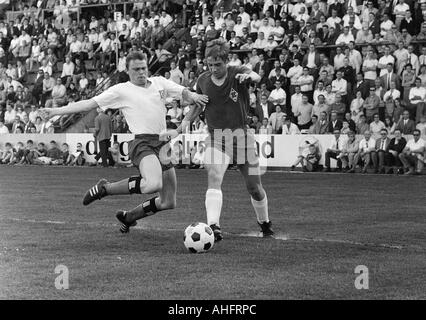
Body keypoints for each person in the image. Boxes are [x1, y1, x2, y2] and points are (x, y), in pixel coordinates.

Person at [40, 51, 209, 234]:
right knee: (153, 184)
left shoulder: (160, 83)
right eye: (136, 69)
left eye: (143, 68)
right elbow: (89, 104)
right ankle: (105, 188)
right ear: (127, 70)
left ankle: (129, 217)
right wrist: (56, 112)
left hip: (163, 144)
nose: (141, 73)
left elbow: (184, 92)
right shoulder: (121, 90)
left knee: (169, 202)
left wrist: (193, 96)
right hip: (142, 143)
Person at [162, 39, 274, 241]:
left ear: (226, 61)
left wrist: (248, 75)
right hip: (216, 137)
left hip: (241, 136)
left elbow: (256, 77)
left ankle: (265, 223)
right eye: (210, 64)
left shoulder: (236, 73)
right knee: (214, 176)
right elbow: (198, 105)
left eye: (217, 64)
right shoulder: (203, 80)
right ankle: (214, 226)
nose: (213, 69)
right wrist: (181, 127)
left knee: (254, 188)